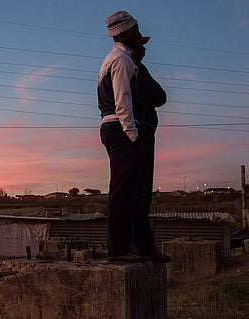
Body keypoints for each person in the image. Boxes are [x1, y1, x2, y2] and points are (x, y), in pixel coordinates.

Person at [97, 11, 171, 263]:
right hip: (121, 128)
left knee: (135, 190)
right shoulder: (120, 60)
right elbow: (122, 101)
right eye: (136, 31)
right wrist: (132, 133)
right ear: (124, 32)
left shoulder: (119, 59)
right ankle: (118, 249)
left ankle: (142, 247)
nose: (139, 36)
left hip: (118, 128)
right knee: (122, 190)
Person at [131, 37, 167, 217]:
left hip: (138, 128)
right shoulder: (135, 67)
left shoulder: (124, 66)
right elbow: (160, 96)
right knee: (142, 185)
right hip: (142, 129)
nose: (144, 49)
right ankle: (139, 238)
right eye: (141, 45)